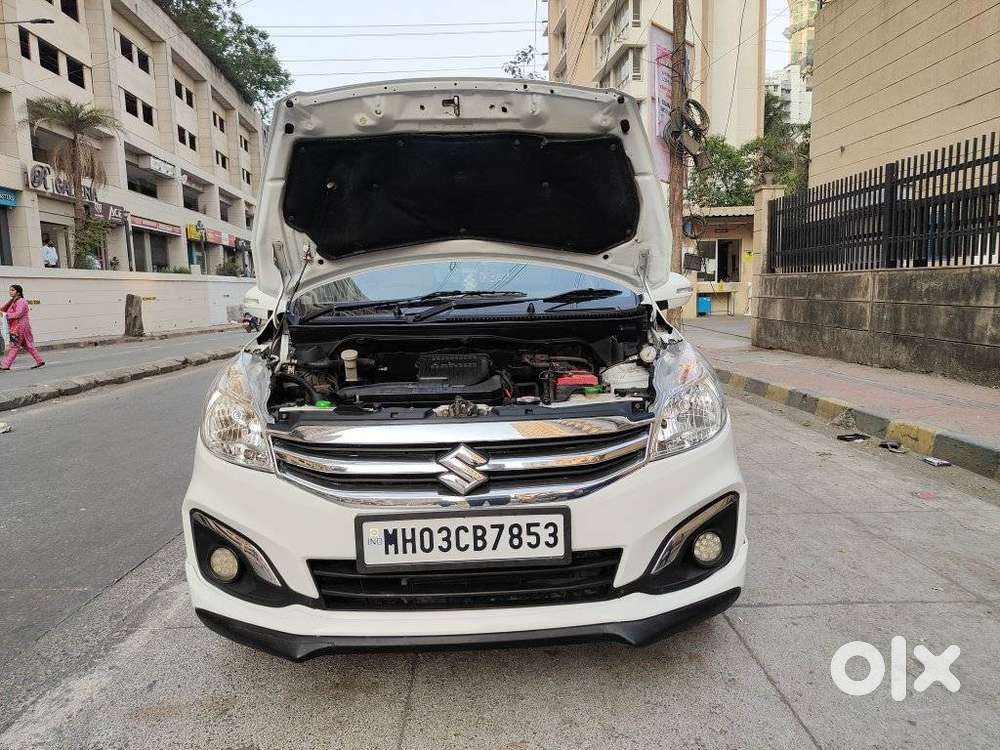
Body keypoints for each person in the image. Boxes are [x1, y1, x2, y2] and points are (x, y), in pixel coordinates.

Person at [1, 285, 45, 371]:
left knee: (14, 346)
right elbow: (3, 310)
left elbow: (18, 313)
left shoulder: (21, 301)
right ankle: (40, 361)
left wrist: (6, 315)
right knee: (28, 346)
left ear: (18, 292)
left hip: (20, 327)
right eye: (10, 290)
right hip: (18, 327)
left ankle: (6, 365)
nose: (10, 292)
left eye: (12, 290)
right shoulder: (13, 301)